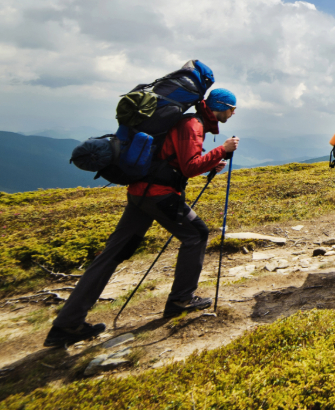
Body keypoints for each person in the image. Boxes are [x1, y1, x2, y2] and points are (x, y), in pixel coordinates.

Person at [44, 89, 240, 347]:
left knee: (112, 254)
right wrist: (221, 150)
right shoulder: (192, 124)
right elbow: (190, 167)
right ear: (221, 107)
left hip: (140, 193)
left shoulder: (188, 122)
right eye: (232, 108)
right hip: (159, 195)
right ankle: (181, 300)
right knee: (197, 234)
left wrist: (212, 161)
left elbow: (178, 159)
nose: (233, 113)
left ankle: (66, 324)